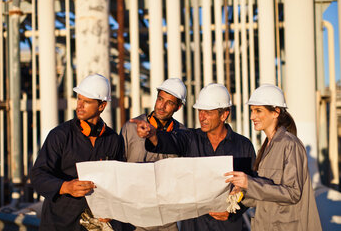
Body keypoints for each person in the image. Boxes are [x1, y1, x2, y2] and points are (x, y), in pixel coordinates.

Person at [132, 83, 256, 231]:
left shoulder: (243, 146)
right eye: (200, 111)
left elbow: (252, 188)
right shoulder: (190, 139)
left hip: (227, 226)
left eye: (208, 112)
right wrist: (153, 135)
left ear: (224, 114)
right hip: (194, 225)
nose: (202, 117)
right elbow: (171, 141)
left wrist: (234, 209)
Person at [30, 74, 125, 231]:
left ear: (102, 106)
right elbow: (38, 175)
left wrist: (111, 209)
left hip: (94, 226)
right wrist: (65, 187)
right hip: (59, 224)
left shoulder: (113, 140)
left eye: (86, 102)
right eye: (79, 99)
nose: (79, 105)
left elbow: (117, 183)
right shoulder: (60, 135)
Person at [225, 84, 322, 231]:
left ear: (276, 112)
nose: (252, 117)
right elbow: (265, 193)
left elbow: (293, 193)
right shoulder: (266, 148)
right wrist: (242, 192)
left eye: (258, 111)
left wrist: (249, 183)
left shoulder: (290, 145)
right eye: (252, 111)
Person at [121, 78, 186, 231]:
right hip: (136, 217)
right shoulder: (130, 128)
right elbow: (119, 167)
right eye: (160, 99)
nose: (161, 106)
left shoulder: (183, 134)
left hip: (168, 219)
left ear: (178, 107)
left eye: (169, 103)